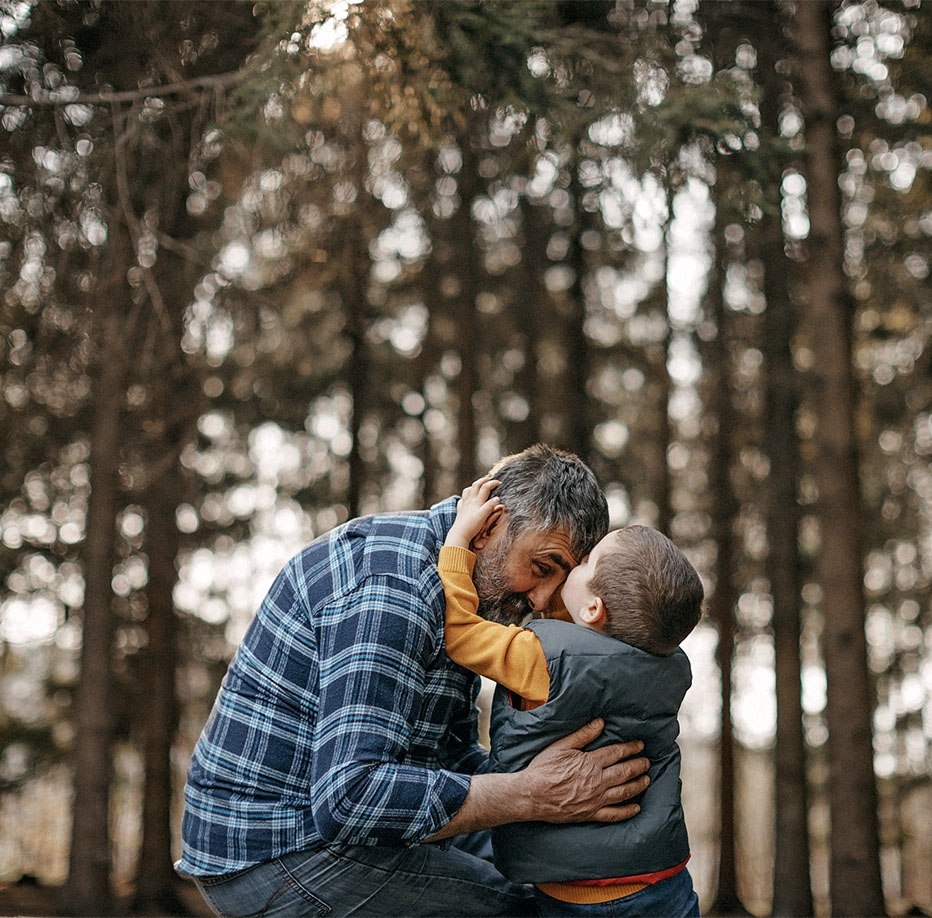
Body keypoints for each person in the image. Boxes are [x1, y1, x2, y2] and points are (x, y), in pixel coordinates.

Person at [177, 444, 652, 918]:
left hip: (337, 833)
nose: (541, 597)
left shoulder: (466, 594)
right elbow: (349, 796)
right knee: (527, 912)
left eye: (561, 580)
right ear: (490, 525)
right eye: (542, 568)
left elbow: (446, 756)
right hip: (274, 851)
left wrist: (564, 791)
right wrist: (530, 793)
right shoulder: (395, 587)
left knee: (568, 882)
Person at [438, 476, 704, 917]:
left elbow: (461, 632)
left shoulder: (544, 657)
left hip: (576, 893)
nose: (570, 570)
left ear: (594, 609)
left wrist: (459, 541)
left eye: (582, 565)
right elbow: (584, 631)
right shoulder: (669, 667)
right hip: (663, 882)